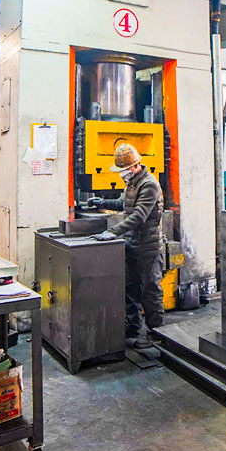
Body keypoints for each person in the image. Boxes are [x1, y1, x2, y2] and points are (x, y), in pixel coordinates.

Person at [88, 144, 164, 349]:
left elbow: (139, 215)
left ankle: (156, 334)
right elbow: (124, 203)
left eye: (123, 170)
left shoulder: (149, 185)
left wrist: (112, 232)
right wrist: (102, 202)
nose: (121, 174)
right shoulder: (131, 183)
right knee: (130, 288)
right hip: (132, 245)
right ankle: (133, 326)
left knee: (150, 291)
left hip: (148, 248)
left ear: (134, 166)